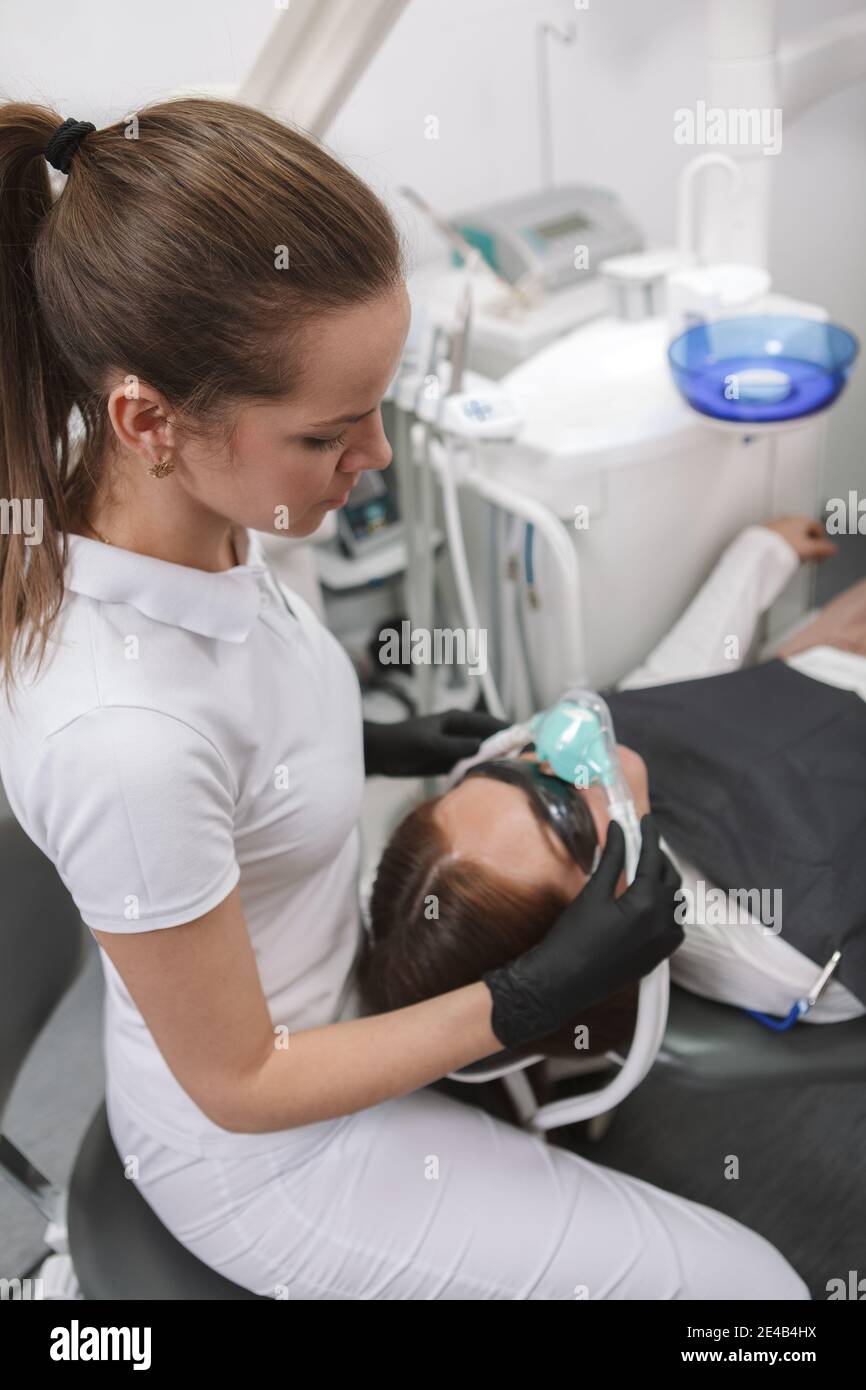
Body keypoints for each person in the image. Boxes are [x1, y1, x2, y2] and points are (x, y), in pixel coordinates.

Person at [0, 97, 807, 1300]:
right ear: (150, 422)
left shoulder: (195, 509)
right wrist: (527, 995)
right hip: (271, 1150)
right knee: (754, 1301)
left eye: (375, 403)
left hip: (315, 1003)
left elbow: (233, 723)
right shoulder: (119, 736)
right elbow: (243, 1083)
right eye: (329, 433)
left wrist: (373, 740)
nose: (371, 457)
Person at [361, 516, 866, 1049]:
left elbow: (665, 693)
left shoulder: (615, 787)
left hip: (817, 676)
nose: (560, 759)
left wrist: (760, 554)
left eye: (511, 767)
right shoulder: (787, 952)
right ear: (605, 926)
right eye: (559, 810)